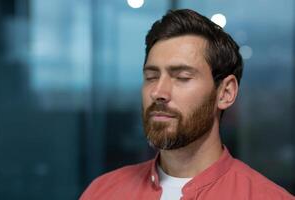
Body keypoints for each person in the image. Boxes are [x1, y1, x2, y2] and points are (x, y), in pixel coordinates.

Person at [80, 9, 295, 200]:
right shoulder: (101, 192)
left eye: (182, 77)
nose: (158, 92)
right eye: (152, 77)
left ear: (225, 93)